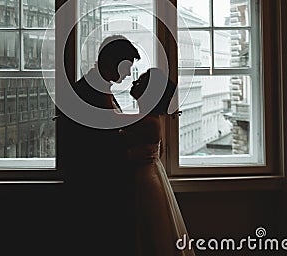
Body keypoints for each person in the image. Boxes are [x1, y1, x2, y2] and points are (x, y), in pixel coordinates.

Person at [60, 35, 141, 256]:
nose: (126, 75)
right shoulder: (85, 94)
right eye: (125, 68)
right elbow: (98, 143)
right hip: (93, 193)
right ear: (111, 62)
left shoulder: (98, 90)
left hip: (100, 188)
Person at [119, 67, 196, 256]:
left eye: (141, 82)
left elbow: (111, 123)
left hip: (145, 181)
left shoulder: (148, 121)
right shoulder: (148, 119)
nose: (134, 83)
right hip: (149, 176)